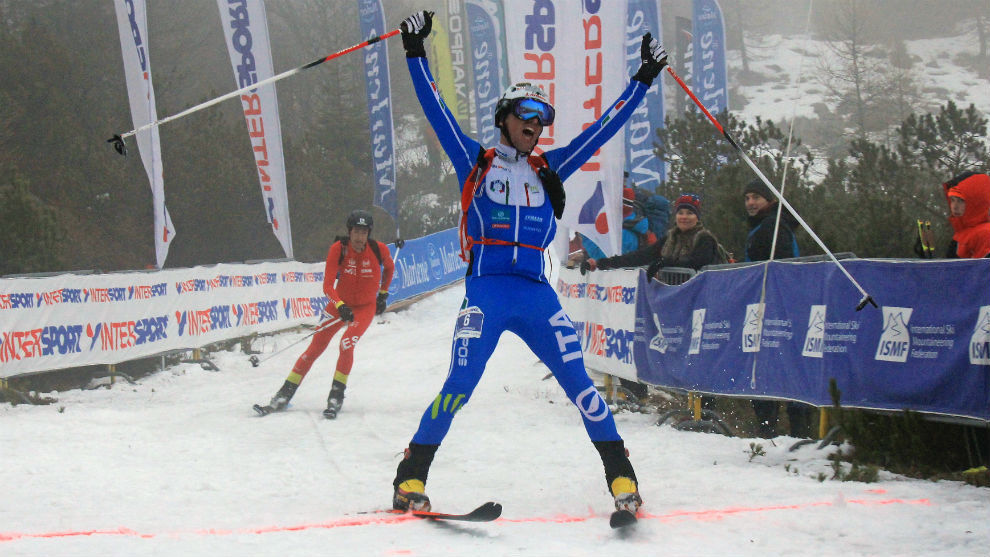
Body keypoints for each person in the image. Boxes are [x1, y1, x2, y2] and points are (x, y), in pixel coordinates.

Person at [392, 10, 668, 514]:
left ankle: (621, 478)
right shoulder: (476, 161)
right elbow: (435, 110)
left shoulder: (549, 166)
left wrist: (643, 80)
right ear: (505, 117)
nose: (535, 125)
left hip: (536, 295)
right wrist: (415, 51)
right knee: (459, 384)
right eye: (526, 115)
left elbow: (603, 130)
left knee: (581, 386)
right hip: (488, 292)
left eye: (541, 118)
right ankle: (410, 476)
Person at [257, 209, 394, 419]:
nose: (360, 237)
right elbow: (328, 286)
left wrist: (383, 295)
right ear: (350, 232)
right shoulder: (338, 249)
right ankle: (284, 393)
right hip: (339, 305)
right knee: (314, 348)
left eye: (364, 232)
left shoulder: (378, 249)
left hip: (364, 308)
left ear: (369, 234)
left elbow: (390, 268)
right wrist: (339, 305)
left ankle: (336, 395)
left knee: (346, 343)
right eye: (356, 232)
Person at [741, 179, 814, 438]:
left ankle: (794, 430)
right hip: (768, 305)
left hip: (782, 306)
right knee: (767, 366)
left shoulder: (773, 225)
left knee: (780, 366)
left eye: (756, 197)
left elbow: (781, 264)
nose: (751, 202)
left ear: (768, 201)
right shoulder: (764, 224)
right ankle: (771, 428)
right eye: (748, 198)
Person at [582, 193, 719, 276]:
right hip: (674, 298)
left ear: (697, 217)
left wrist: (663, 263)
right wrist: (601, 263)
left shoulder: (705, 239)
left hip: (700, 303)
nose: (684, 217)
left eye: (690, 213)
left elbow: (697, 263)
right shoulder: (670, 238)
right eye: (680, 213)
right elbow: (641, 256)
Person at [942, 172, 990, 259]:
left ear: (976, 202)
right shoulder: (962, 234)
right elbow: (950, 270)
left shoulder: (985, 235)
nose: (955, 206)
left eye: (960, 200)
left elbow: (981, 271)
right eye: (952, 200)